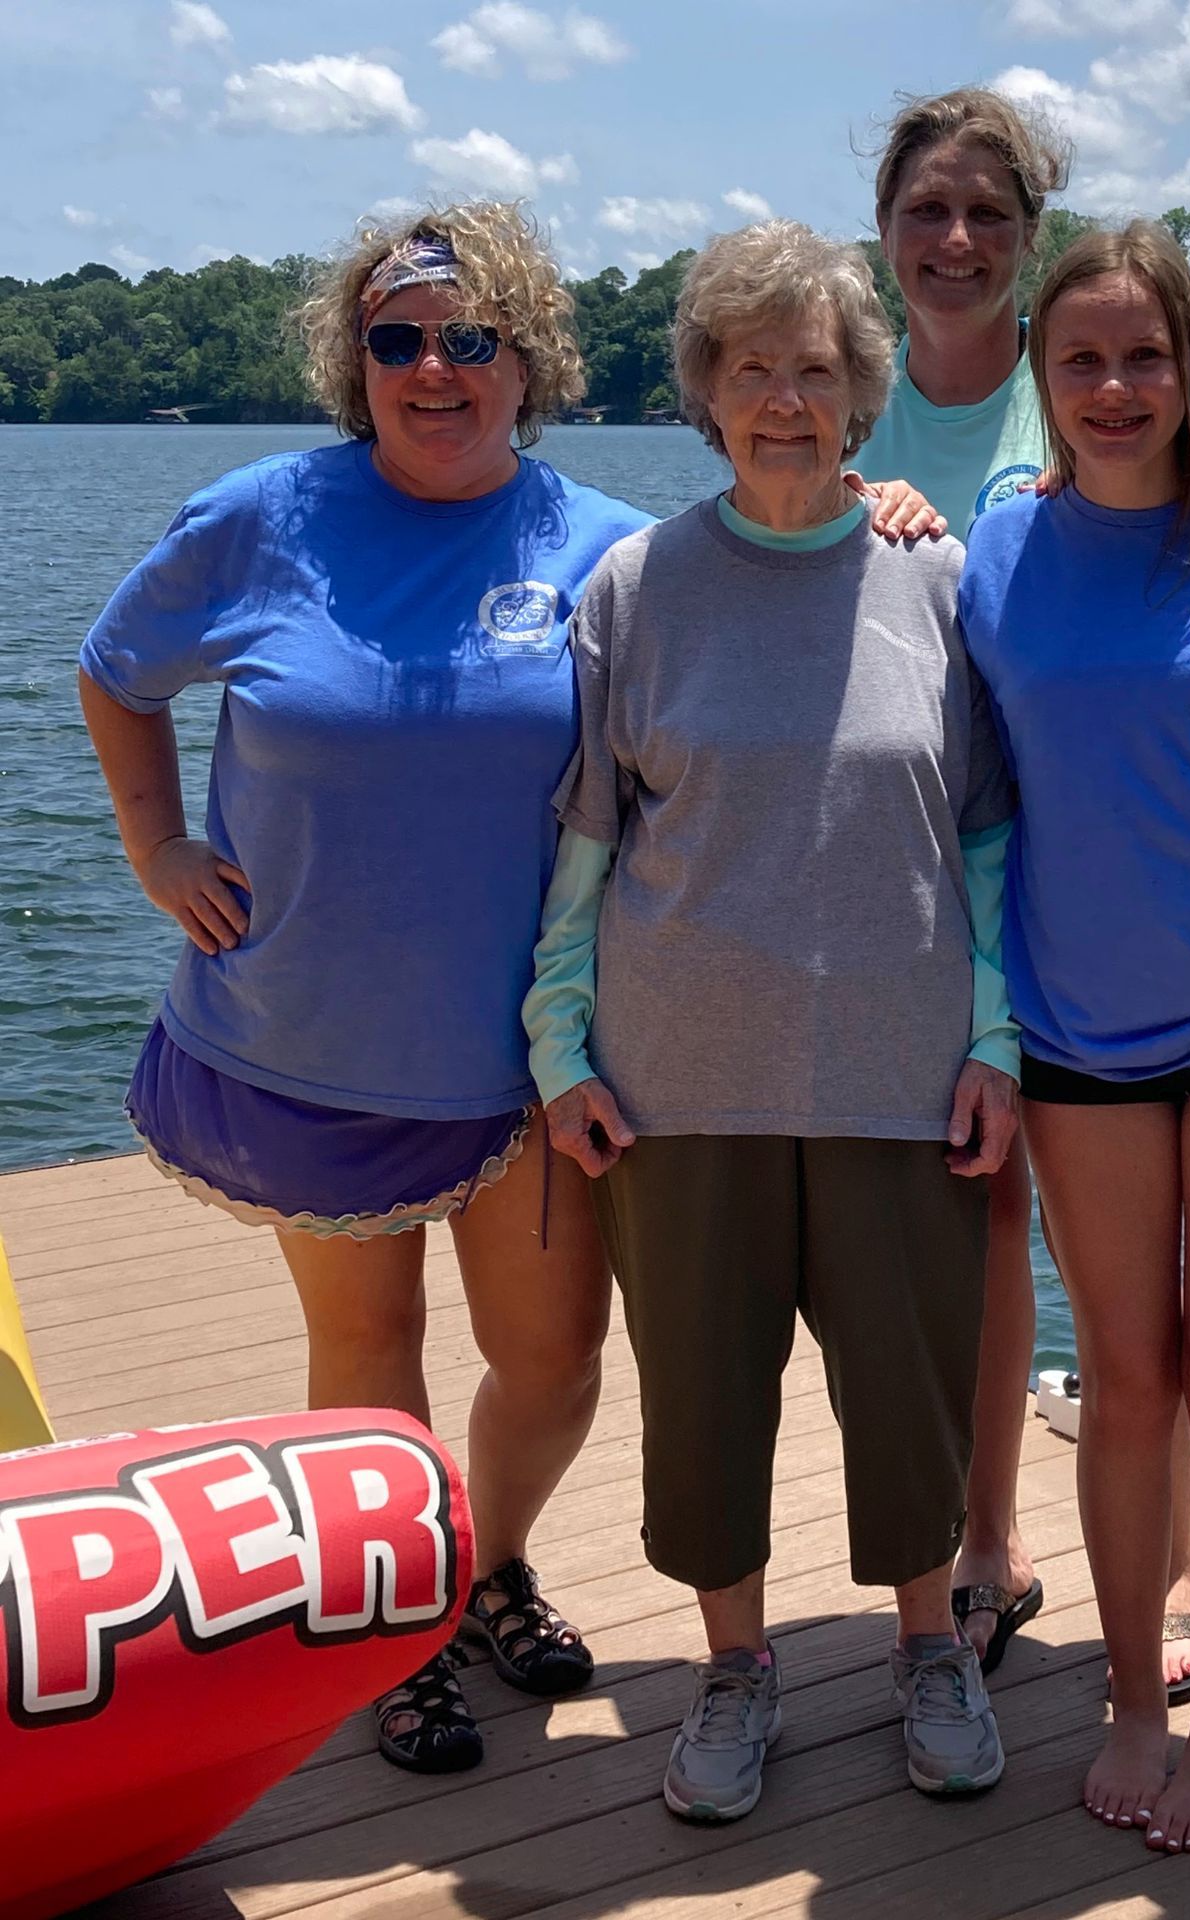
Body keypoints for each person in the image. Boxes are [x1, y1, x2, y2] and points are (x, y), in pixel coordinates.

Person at [75, 201, 936, 1777]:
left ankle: (479, 1573)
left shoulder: (605, 545)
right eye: (396, 340)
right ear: (356, 363)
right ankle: (386, 1636)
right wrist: (154, 844)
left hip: (539, 1052)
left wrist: (880, 505)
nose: (433, 368)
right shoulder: (259, 518)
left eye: (471, 338)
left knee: (551, 1363)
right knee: (370, 1349)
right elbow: (115, 671)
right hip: (309, 1037)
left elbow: (765, 549)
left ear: (527, 359)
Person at [524, 218, 1019, 1826]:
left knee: (911, 1393)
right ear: (710, 394)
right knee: (705, 1402)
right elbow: (586, 842)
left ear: (862, 388)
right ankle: (732, 1673)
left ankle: (930, 1647)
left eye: (816, 369)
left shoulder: (934, 578)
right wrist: (557, 1046)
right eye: (754, 371)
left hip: (902, 1076)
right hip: (680, 1089)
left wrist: (999, 1043)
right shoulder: (634, 588)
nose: (787, 401)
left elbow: (994, 841)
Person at [960, 220, 1190, 1854]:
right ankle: (1127, 1690)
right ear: (1040, 379)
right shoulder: (989, 552)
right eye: (1081, 359)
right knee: (1125, 1379)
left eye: (1145, 355)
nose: (1115, 388)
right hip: (1080, 1033)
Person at [865, 85, 1190, 1702]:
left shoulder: (1082, 398)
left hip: (1080, 868)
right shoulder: (831, 401)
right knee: (973, 1211)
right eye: (929, 210)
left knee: (1141, 1240)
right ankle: (987, 1538)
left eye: (990, 214)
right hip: (894, 880)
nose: (956, 240)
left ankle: (1166, 1558)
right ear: (884, 231)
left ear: (1030, 239)